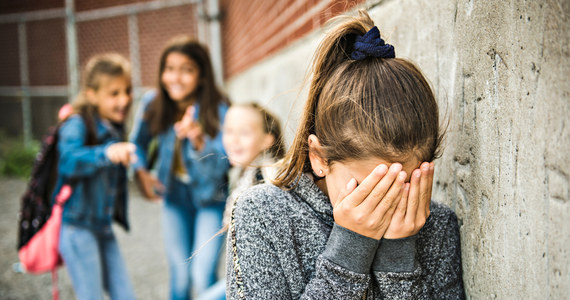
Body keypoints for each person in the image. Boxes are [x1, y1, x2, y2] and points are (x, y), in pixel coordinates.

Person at [226, 11, 465, 299]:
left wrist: (400, 260)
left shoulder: (436, 226)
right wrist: (349, 251)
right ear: (319, 158)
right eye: (369, 189)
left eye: (401, 185)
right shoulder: (263, 214)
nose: (384, 204)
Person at [130, 36, 230, 300]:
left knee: (202, 274)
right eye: (170, 68)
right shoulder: (153, 103)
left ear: (202, 75)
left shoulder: (218, 109)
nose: (175, 77)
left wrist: (198, 140)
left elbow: (223, 167)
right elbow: (136, 144)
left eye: (186, 70)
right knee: (180, 277)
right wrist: (141, 173)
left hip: (211, 199)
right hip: (174, 198)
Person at [56, 53, 136, 299]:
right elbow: (68, 161)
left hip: (102, 227)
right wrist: (107, 153)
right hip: (77, 228)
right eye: (114, 93)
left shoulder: (114, 126)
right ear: (91, 94)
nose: (124, 99)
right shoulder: (77, 124)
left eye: (127, 90)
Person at [198, 102, 286, 300]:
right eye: (228, 131)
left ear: (267, 140)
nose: (233, 140)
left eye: (244, 133)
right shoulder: (245, 174)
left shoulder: (268, 178)